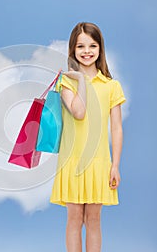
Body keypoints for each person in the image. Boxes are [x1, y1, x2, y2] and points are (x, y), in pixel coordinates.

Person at [50, 22, 126, 252]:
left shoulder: (111, 86)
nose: (87, 51)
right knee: (74, 219)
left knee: (93, 220)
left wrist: (115, 165)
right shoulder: (65, 82)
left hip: (99, 163)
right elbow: (79, 112)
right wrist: (81, 80)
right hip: (72, 161)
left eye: (92, 45)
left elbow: (117, 128)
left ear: (100, 49)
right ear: (72, 49)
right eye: (81, 46)